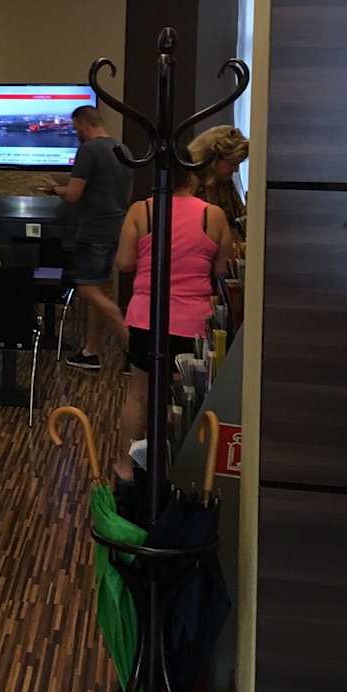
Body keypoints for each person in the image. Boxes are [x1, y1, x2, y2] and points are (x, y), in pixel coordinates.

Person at [113, 160, 232, 480]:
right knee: (181, 398)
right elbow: (223, 269)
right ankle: (175, 470)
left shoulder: (142, 211)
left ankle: (126, 467)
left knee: (139, 394)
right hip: (193, 322)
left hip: (146, 317)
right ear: (191, 175)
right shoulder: (213, 215)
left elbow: (124, 262)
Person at [48, 105, 131, 370]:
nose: (76, 133)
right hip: (117, 228)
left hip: (94, 230)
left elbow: (74, 195)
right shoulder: (122, 149)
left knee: (86, 288)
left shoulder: (89, 150)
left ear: (85, 123)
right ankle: (90, 351)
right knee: (99, 289)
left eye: (76, 128)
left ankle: (133, 346)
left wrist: (56, 189)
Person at [188, 125, 248, 245]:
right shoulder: (189, 187)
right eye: (232, 163)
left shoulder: (225, 184)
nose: (236, 169)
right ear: (214, 159)